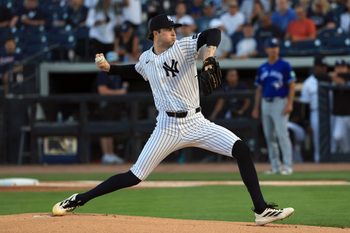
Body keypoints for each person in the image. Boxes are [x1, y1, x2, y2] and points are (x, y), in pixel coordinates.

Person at [52, 14, 294, 225]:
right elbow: (134, 70)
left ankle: (261, 210)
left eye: (174, 29)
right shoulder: (147, 59)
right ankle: (78, 199)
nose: (173, 32)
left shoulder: (184, 47)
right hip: (166, 127)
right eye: (169, 29)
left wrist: (209, 56)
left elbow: (213, 33)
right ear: (155, 33)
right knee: (134, 176)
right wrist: (109, 68)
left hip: (196, 122)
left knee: (241, 149)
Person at [252, 37, 296, 175]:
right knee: (269, 136)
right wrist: (256, 107)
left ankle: (288, 166)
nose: (274, 49)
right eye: (271, 47)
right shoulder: (262, 67)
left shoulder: (285, 65)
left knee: (282, 134)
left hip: (280, 101)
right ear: (266, 49)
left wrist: (290, 103)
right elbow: (259, 89)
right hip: (266, 102)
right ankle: (275, 166)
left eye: (276, 47)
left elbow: (292, 85)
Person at [96, 51, 128, 164]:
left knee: (112, 130)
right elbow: (102, 90)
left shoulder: (118, 73)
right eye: (112, 61)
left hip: (115, 105)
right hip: (106, 105)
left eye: (116, 61)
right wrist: (119, 92)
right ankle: (106, 154)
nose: (115, 63)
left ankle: (111, 153)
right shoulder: (103, 73)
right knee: (105, 130)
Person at [299, 55, 329, 163]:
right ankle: (319, 165)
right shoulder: (308, 82)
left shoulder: (330, 79)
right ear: (315, 67)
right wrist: (307, 123)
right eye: (321, 66)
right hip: (315, 113)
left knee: (335, 141)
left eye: (325, 66)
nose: (323, 68)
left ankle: (337, 166)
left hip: (331, 113)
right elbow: (305, 105)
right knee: (317, 142)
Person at [330, 59, 350, 154]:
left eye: (343, 67)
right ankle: (346, 152)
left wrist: (338, 79)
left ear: (347, 68)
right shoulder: (332, 79)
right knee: (337, 136)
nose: (340, 69)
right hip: (339, 115)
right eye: (338, 67)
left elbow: (343, 82)